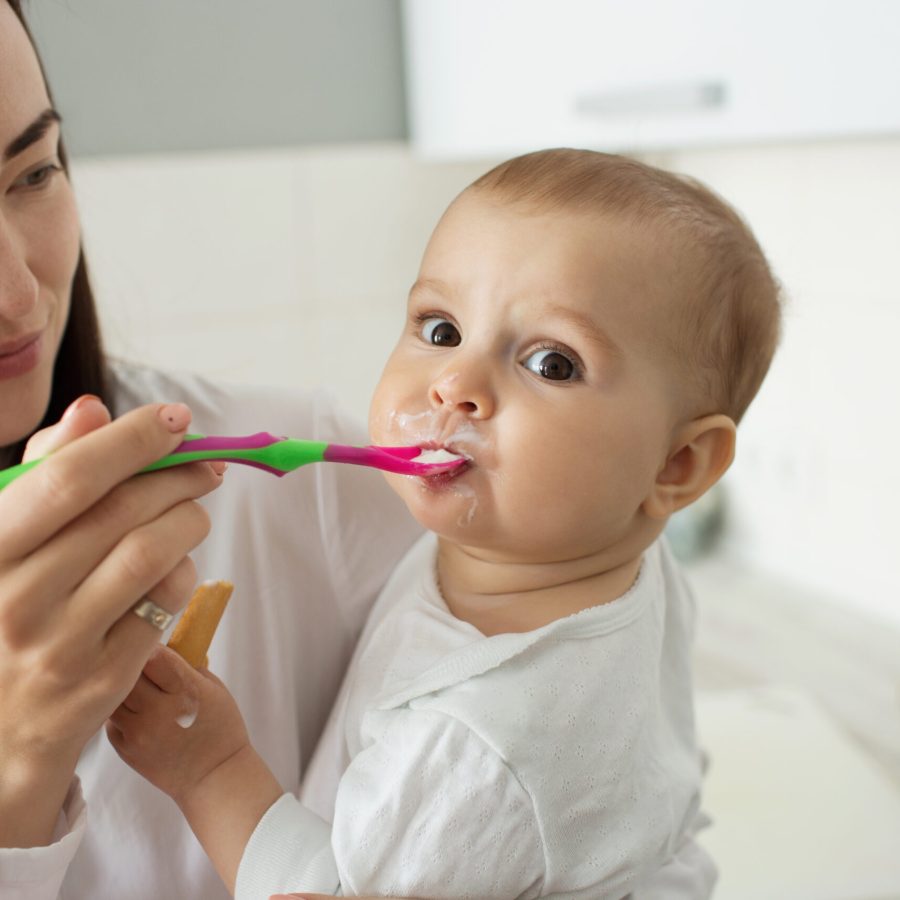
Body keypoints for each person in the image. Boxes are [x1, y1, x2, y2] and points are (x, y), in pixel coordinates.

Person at [110, 148, 782, 898]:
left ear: (678, 466)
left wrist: (210, 769)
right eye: (439, 329)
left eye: (552, 363)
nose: (453, 385)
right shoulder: (604, 565)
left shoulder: (479, 745)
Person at [0, 3, 421, 898]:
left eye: (33, 172)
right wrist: (17, 769)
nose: (17, 296)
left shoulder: (301, 491)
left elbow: (615, 774)